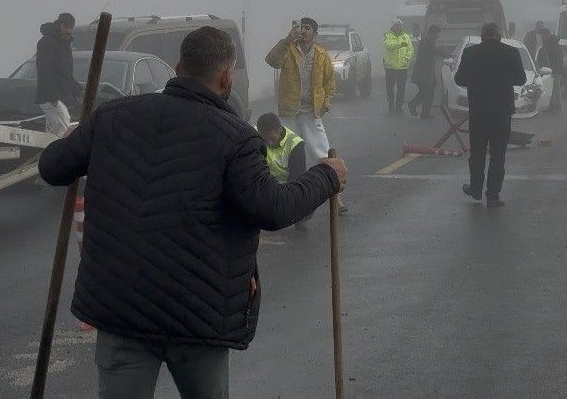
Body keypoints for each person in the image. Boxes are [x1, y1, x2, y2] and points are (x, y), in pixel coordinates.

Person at [39, 27, 347, 398]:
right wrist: (326, 176)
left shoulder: (111, 118)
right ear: (226, 77)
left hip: (121, 313)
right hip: (198, 318)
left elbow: (52, 167)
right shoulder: (236, 138)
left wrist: (80, 133)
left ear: (177, 67)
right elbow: (274, 208)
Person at [265, 17, 348, 213]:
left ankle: (336, 197)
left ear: (314, 33)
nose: (302, 31)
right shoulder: (288, 48)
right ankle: (278, 199)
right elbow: (271, 61)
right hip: (289, 111)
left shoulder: (321, 54)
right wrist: (287, 39)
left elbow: (330, 83)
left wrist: (324, 105)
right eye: (300, 27)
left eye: (307, 28)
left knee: (323, 154)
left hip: (311, 112)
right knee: (281, 155)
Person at [454, 23, 527, 207]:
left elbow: (459, 79)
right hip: (502, 112)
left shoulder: (471, 53)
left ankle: (476, 189)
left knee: (477, 153)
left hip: (479, 111)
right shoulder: (510, 52)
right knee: (498, 155)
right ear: (499, 35)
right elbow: (521, 79)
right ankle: (493, 195)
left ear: (482, 35)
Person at [256, 112, 314, 230]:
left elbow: (297, 176)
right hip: (264, 185)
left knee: (306, 200)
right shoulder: (254, 136)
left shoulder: (295, 143)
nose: (269, 143)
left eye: (272, 139)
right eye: (265, 140)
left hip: (285, 188)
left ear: (279, 130)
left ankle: (295, 217)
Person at [35, 12, 81, 136]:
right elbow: (44, 70)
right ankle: (62, 154)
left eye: (71, 28)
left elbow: (66, 74)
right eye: (65, 27)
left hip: (59, 96)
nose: (68, 31)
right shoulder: (47, 42)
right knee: (65, 129)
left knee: (52, 134)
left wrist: (79, 90)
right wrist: (52, 96)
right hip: (50, 97)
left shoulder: (65, 44)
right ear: (58, 26)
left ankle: (46, 153)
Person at [408, 24, 443, 119]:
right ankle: (412, 104)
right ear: (434, 33)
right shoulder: (428, 40)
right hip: (424, 73)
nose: (438, 36)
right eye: (437, 34)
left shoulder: (428, 40)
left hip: (427, 73)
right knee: (425, 92)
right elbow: (434, 50)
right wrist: (448, 54)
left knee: (430, 93)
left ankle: (425, 113)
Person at [382, 19, 415, 114]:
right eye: (396, 25)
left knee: (401, 88)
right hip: (390, 68)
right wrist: (400, 44)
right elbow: (388, 46)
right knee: (390, 88)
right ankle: (391, 106)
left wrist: (407, 58)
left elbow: (411, 49)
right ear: (392, 26)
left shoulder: (406, 36)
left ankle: (399, 106)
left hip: (402, 67)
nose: (398, 27)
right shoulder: (387, 35)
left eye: (399, 25)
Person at [538, 26, 564, 113]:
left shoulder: (552, 45)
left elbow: (555, 58)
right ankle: (556, 105)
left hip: (554, 70)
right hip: (554, 69)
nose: (542, 37)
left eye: (543, 35)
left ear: (547, 35)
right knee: (555, 88)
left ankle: (553, 106)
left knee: (554, 88)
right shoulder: (552, 43)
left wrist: (553, 69)